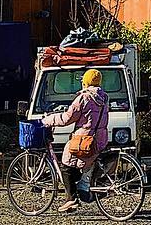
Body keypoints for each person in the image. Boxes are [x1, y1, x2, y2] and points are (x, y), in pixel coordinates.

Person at [42, 69, 110, 213]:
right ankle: (82, 191)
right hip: (99, 140)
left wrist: (48, 120)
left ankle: (70, 199)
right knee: (78, 166)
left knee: (66, 165)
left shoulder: (84, 98)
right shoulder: (104, 98)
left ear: (85, 82)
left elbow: (67, 118)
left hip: (83, 141)